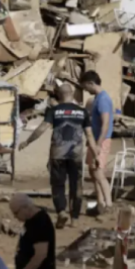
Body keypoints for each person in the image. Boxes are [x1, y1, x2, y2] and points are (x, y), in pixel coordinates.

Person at [19, 84, 96, 228]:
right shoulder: (82, 112)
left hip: (57, 154)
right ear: (72, 94)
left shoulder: (54, 111)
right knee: (76, 186)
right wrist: (96, 154)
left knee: (58, 185)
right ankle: (75, 219)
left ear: (59, 95)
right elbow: (90, 135)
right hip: (76, 154)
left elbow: (42, 128)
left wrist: (27, 141)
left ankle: (61, 211)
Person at [80, 71, 114, 213]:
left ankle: (108, 204)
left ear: (91, 83)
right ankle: (100, 203)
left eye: (85, 87)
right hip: (94, 140)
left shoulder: (103, 99)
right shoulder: (97, 99)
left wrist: (98, 144)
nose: (86, 90)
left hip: (101, 140)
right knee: (92, 171)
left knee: (99, 172)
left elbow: (105, 123)